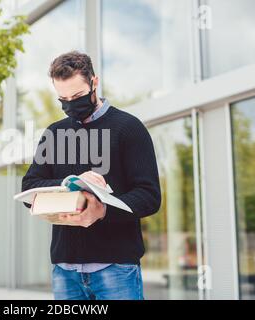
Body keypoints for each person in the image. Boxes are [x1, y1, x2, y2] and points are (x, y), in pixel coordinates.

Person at [21, 51, 161, 300]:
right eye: (63, 99)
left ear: (94, 83)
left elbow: (149, 196)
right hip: (65, 271)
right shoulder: (53, 134)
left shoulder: (129, 128)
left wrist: (103, 210)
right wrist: (67, 184)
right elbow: (30, 185)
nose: (70, 105)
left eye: (77, 96)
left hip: (117, 269)